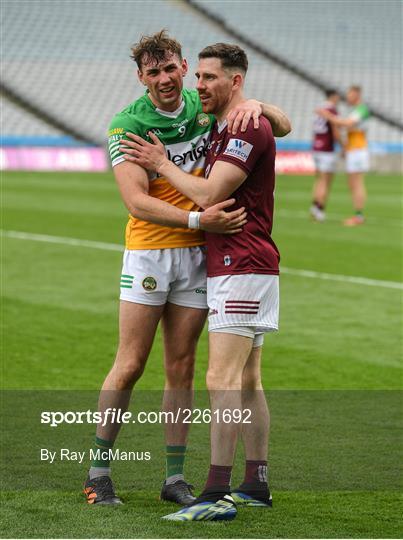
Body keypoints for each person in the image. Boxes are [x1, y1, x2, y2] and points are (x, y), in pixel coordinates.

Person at [84, 30, 291, 506]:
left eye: (171, 68)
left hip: (199, 258)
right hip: (151, 252)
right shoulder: (128, 123)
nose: (165, 79)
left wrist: (259, 104)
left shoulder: (204, 106)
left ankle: (174, 478)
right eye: (153, 72)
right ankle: (99, 471)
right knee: (131, 363)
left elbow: (278, 125)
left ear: (182, 68)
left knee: (182, 368)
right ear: (141, 77)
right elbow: (136, 202)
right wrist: (199, 218)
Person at [317, 85, 370, 226]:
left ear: (357, 94)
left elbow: (347, 123)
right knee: (353, 184)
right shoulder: (356, 110)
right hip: (354, 150)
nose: (347, 97)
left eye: (350, 94)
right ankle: (358, 215)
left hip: (358, 150)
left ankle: (359, 217)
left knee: (357, 183)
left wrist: (327, 116)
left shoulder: (362, 109)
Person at [310, 89, 342, 222]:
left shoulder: (319, 109)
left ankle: (314, 206)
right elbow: (335, 132)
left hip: (316, 148)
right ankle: (319, 209)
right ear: (333, 97)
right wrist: (343, 146)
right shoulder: (332, 111)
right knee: (325, 181)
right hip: (327, 150)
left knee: (318, 179)